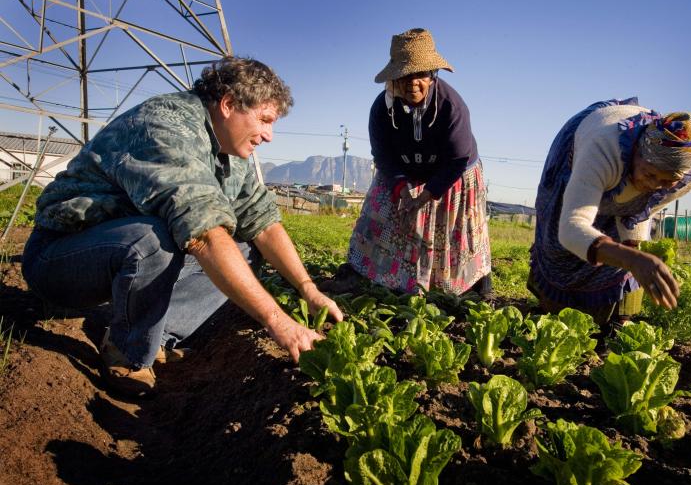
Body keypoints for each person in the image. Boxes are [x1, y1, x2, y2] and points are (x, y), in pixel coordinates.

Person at [22, 57, 343, 396]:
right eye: (264, 120)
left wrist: (308, 289)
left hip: (117, 256)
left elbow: (263, 222)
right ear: (229, 105)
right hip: (61, 259)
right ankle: (128, 351)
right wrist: (278, 323)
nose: (269, 136)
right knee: (153, 239)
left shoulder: (231, 154)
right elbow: (203, 233)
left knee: (244, 250)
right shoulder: (164, 128)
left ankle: (149, 334)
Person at [528, 97, 691, 326]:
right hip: (582, 144)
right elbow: (570, 229)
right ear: (636, 151)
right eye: (649, 174)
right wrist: (633, 260)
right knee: (559, 240)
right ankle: (552, 313)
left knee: (629, 247)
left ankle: (618, 319)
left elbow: (638, 211)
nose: (655, 185)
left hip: (622, 175)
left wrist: (632, 250)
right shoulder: (603, 150)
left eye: (667, 181)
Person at [345, 28, 492, 296]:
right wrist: (401, 190)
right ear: (394, 77)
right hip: (405, 168)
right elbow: (383, 156)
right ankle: (360, 272)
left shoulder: (451, 106)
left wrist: (426, 195)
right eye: (405, 75)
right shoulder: (382, 109)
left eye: (420, 75)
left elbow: (457, 158)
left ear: (432, 75)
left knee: (459, 232)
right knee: (378, 214)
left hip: (454, 172)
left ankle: (476, 285)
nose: (413, 83)